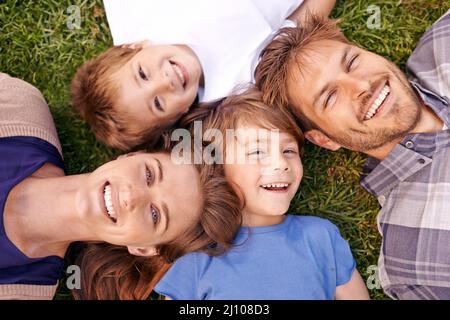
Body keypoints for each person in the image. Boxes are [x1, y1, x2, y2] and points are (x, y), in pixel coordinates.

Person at [255, 11, 450, 299]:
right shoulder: (414, 258)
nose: (361, 86)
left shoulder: (443, 41)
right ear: (325, 139)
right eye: (330, 97)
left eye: (352, 62)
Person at [0, 72, 241, 300]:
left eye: (155, 215)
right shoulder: (16, 104)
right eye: (148, 174)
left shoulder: (20, 291)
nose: (131, 196)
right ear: (131, 156)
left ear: (144, 249)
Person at [153, 89, 369, 299]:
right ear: (217, 167)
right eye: (257, 152)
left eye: (289, 151)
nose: (281, 163)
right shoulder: (196, 256)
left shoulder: (321, 237)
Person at [71, 0, 336, 150]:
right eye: (158, 103)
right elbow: (302, 22)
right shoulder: (236, 84)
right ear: (178, 117)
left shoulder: (140, 13)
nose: (165, 81)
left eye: (142, 74)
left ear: (132, 46)